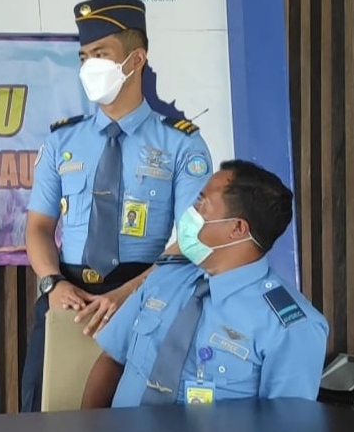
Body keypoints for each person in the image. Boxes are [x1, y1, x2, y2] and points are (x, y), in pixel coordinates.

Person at [21, 0, 213, 412]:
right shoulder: (62, 141)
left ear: (136, 58)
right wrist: (52, 284)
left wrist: (130, 293)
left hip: (147, 299)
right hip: (68, 300)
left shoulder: (181, 143)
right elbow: (37, 227)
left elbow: (189, 241)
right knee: (46, 423)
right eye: (84, 56)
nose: (90, 65)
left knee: (137, 431)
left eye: (101, 54)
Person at [82, 160, 328, 408]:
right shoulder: (166, 277)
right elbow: (112, 359)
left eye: (202, 203)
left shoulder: (290, 327)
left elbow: (285, 429)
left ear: (237, 228)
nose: (191, 210)